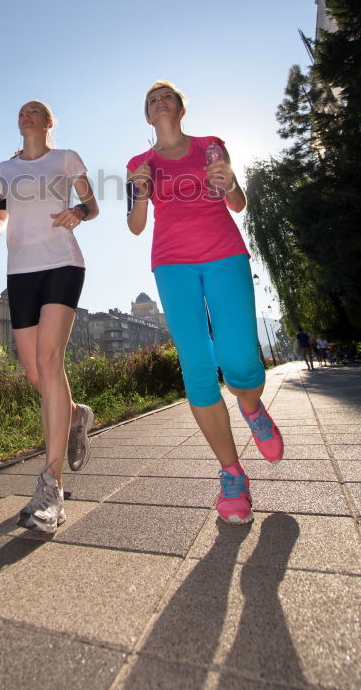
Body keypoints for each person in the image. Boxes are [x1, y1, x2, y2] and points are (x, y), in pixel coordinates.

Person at [126, 80, 283, 525]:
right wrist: (139, 191)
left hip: (224, 255)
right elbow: (136, 226)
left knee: (239, 361)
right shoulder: (140, 164)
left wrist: (231, 182)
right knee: (196, 364)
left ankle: (251, 407)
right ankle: (232, 474)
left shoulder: (212, 147)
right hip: (172, 264)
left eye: (167, 97)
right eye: (151, 99)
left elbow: (237, 202)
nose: (159, 101)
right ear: (147, 115)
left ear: (180, 108)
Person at [0, 99, 99, 534]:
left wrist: (78, 213)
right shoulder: (2, 170)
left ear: (50, 123)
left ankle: (52, 492)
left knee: (51, 363)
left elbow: (92, 205)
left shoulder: (66, 159)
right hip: (20, 271)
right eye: (21, 112)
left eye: (35, 111)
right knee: (33, 371)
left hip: (61, 263)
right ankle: (76, 417)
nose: (25, 115)